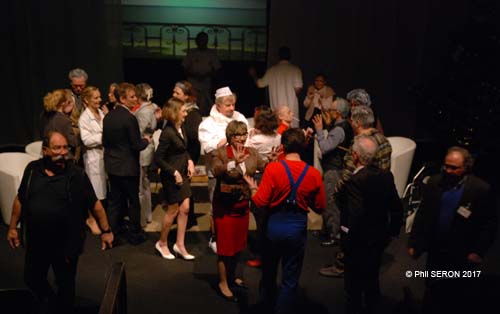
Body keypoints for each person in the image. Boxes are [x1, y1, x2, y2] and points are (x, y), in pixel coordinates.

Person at [6, 131, 113, 313]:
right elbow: (20, 199)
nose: (63, 152)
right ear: (46, 150)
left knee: (65, 285)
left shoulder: (77, 175)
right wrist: (12, 227)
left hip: (65, 245)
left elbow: (95, 205)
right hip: (36, 240)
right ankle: (49, 302)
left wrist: (106, 230)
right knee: (32, 278)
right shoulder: (32, 170)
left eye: (65, 148)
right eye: (57, 148)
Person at [244, 128, 326, 314]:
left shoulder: (273, 169)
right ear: (304, 146)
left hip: (273, 228)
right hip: (296, 229)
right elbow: (320, 207)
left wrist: (253, 189)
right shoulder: (313, 173)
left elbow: (260, 202)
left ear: (282, 147)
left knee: (268, 274)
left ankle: (266, 308)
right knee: (290, 280)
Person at [319, 105, 391, 277]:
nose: (350, 122)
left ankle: (342, 266)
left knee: (351, 233)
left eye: (352, 119)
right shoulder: (385, 141)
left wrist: (336, 193)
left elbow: (347, 174)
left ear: (357, 122)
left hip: (357, 195)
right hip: (379, 194)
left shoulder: (359, 144)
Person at [408, 147, 497, 284]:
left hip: (462, 249)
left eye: (454, 168)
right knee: (432, 283)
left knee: (454, 288)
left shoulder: (480, 189)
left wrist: (478, 251)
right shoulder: (434, 182)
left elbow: (489, 224)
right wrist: (414, 242)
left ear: (466, 167)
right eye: (446, 166)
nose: (448, 171)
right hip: (436, 246)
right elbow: (422, 214)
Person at [336, 135, 403, 314]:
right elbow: (396, 207)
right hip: (379, 238)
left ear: (356, 156)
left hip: (357, 241)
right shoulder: (386, 176)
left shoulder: (354, 181)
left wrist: (345, 238)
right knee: (372, 280)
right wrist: (391, 233)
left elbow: (354, 215)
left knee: (353, 287)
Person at [209, 120, 266, 302]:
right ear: (229, 137)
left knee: (238, 246)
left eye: (243, 134)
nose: (241, 138)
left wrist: (272, 162)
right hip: (225, 208)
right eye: (236, 135)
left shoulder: (252, 153)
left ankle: (233, 276)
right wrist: (233, 162)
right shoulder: (220, 153)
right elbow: (216, 170)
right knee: (225, 247)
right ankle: (223, 282)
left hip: (242, 206)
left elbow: (263, 166)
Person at [198, 86, 248, 253]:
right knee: (217, 207)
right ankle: (215, 237)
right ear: (218, 105)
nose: (232, 108)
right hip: (217, 173)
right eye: (228, 105)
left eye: (233, 104)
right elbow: (206, 146)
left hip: (239, 171)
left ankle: (235, 237)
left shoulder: (240, 117)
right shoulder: (208, 123)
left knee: (237, 206)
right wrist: (222, 142)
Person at [102, 82, 150, 245]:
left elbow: (105, 141)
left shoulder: (108, 117)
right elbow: (136, 145)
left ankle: (112, 233)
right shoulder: (129, 118)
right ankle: (134, 234)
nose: (135, 99)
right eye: (132, 96)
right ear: (122, 99)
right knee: (133, 202)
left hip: (113, 166)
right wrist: (146, 140)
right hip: (128, 167)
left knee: (115, 201)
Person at [154, 98, 196, 260]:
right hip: (171, 176)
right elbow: (158, 158)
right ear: (175, 113)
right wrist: (174, 172)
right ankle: (162, 243)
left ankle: (180, 244)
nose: (186, 113)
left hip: (183, 172)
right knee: (173, 210)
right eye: (183, 110)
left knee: (185, 208)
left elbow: (183, 150)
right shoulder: (167, 133)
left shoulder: (180, 128)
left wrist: (190, 161)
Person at [312, 98, 353, 246]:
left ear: (339, 113)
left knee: (331, 203)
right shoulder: (344, 126)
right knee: (332, 201)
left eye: (332, 110)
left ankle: (334, 234)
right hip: (337, 168)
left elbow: (325, 147)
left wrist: (319, 131)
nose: (329, 112)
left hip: (334, 171)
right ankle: (329, 230)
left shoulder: (340, 129)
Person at [172, 80, 202, 228]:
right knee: (181, 186)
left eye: (177, 93)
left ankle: (188, 218)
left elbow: (192, 136)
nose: (173, 95)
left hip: (187, 155)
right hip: (181, 154)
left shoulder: (192, 113)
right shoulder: (180, 110)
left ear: (187, 96)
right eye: (174, 92)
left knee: (184, 187)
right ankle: (184, 216)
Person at [251, 46, 303, 127]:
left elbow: (260, 84)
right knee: (293, 136)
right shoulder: (296, 70)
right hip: (291, 111)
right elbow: (298, 90)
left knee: (278, 135)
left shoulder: (271, 70)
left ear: (278, 56)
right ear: (290, 56)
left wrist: (254, 75)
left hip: (277, 111)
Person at [79, 86, 106, 235]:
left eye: (99, 97)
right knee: (94, 192)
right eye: (95, 98)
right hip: (93, 157)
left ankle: (102, 219)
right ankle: (91, 219)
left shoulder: (101, 112)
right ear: (86, 100)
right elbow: (86, 140)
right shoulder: (85, 118)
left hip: (104, 156)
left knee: (103, 190)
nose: (99, 100)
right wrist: (104, 137)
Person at [135, 83, 159, 227]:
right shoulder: (152, 107)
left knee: (141, 185)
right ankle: (147, 215)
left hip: (143, 149)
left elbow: (140, 130)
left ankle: (142, 218)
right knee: (145, 183)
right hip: (147, 146)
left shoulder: (144, 111)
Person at [182, 31, 222, 116]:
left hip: (206, 84)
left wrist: (206, 75)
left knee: (205, 103)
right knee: (192, 102)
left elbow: (217, 69)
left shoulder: (211, 53)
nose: (202, 42)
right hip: (193, 83)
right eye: (200, 40)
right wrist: (194, 75)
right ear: (196, 41)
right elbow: (184, 67)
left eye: (204, 40)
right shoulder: (191, 53)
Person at [40, 89, 78, 155]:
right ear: (63, 103)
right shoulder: (64, 120)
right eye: (68, 101)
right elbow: (73, 143)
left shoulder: (45, 115)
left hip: (47, 153)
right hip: (60, 156)